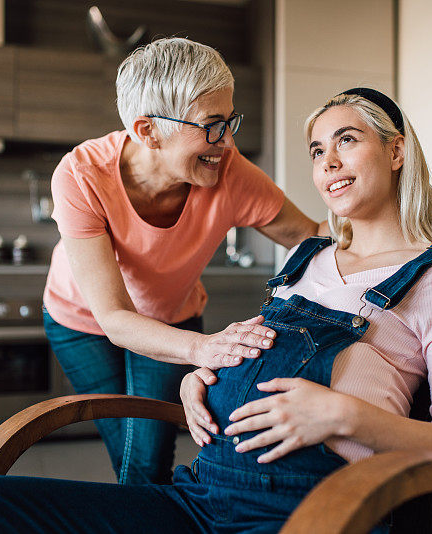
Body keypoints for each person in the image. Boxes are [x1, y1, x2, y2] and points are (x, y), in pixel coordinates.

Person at [0, 88, 432, 534]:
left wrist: (343, 415)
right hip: (198, 499)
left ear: (395, 151)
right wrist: (201, 381)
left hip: (313, 509)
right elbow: (248, 352)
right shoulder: (308, 260)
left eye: (346, 140)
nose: (328, 161)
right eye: (317, 149)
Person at [41, 37, 323, 486]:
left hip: (172, 316)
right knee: (135, 457)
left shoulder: (230, 173)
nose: (227, 142)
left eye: (230, 121)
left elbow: (312, 237)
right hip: (82, 323)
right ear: (147, 130)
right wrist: (205, 348)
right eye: (212, 125)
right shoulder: (81, 175)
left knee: (146, 462)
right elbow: (114, 317)